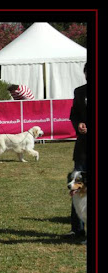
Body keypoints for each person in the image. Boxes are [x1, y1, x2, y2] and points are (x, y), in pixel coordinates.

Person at [66, 63, 87, 239]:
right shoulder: (79, 92)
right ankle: (77, 228)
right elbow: (74, 114)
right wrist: (78, 124)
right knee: (76, 185)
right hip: (83, 149)